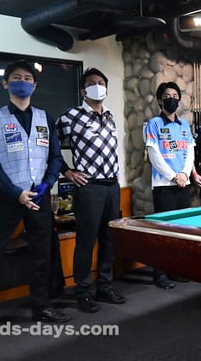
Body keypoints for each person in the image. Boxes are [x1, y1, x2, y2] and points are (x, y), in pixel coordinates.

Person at [0, 60, 70, 347]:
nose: (22, 82)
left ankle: (41, 307)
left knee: (41, 255)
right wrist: (16, 193)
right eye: (16, 77)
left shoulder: (46, 118)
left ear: (34, 85)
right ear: (5, 83)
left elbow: (55, 158)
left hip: (39, 196)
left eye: (27, 78)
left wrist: (46, 186)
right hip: (8, 197)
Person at [56, 68, 126, 313]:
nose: (97, 86)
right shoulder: (70, 116)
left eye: (101, 82)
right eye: (91, 83)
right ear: (83, 91)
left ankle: (104, 286)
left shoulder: (109, 115)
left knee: (109, 239)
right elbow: (50, 147)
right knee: (86, 241)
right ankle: (83, 291)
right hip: (89, 187)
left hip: (112, 186)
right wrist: (67, 171)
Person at [145, 82, 195, 289]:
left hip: (183, 184)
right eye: (167, 96)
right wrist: (174, 176)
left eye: (175, 96)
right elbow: (154, 155)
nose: (172, 99)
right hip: (164, 185)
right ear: (160, 100)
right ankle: (160, 273)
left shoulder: (184, 125)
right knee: (163, 231)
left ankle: (176, 269)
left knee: (181, 231)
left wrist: (184, 174)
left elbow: (190, 151)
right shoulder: (153, 124)